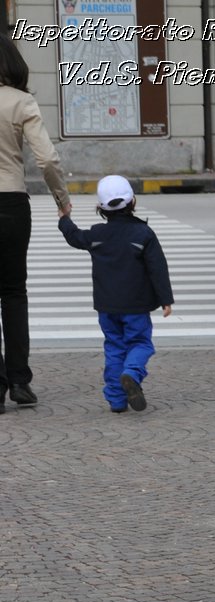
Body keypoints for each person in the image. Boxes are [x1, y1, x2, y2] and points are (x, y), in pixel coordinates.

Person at [58, 176, 174, 414]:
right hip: (136, 306)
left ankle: (116, 400)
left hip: (106, 306)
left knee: (114, 347)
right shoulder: (143, 234)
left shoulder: (97, 234)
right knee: (141, 343)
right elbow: (157, 268)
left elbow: (75, 237)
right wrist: (165, 299)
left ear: (101, 208)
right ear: (133, 202)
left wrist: (64, 218)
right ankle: (132, 372)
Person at [0, 27, 71, 413]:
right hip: (11, 202)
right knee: (13, 292)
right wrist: (62, 199)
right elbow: (46, 160)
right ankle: (20, 382)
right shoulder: (22, 102)